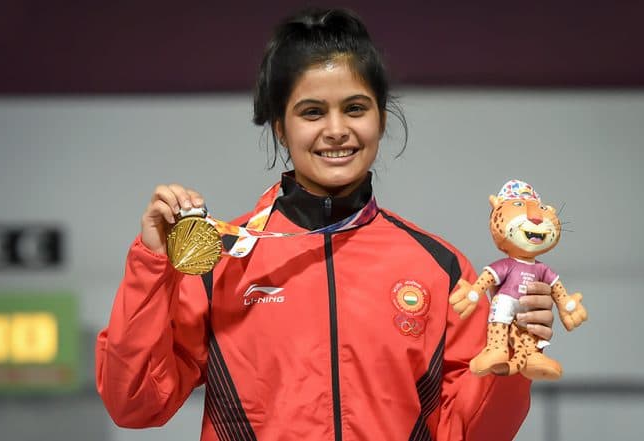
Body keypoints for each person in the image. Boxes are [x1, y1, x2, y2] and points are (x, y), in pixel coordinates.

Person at [96, 8, 555, 441]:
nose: (336, 130)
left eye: (355, 108)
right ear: (280, 127)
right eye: (312, 112)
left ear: (380, 117)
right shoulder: (221, 262)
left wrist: (511, 357)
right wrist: (152, 264)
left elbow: (473, 433)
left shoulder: (441, 269)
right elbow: (135, 403)